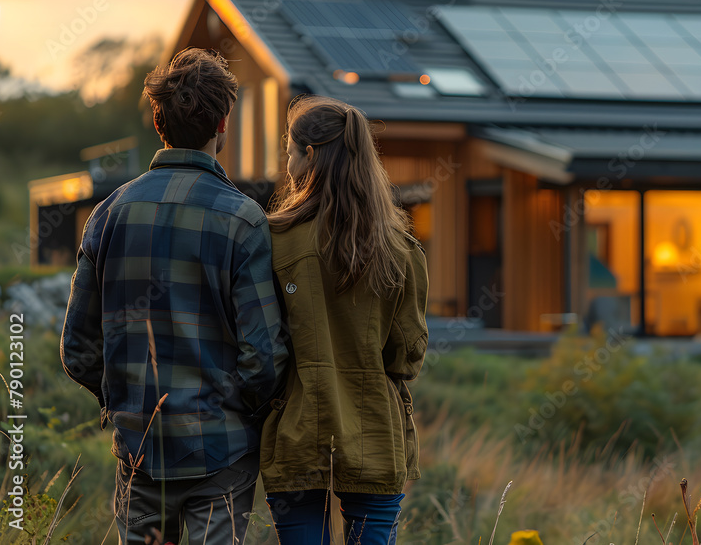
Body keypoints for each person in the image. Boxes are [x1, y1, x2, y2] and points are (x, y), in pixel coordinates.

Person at [61, 48, 289, 545]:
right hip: (223, 451)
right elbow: (265, 355)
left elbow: (77, 349)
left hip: (138, 449)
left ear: (157, 119)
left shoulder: (107, 214)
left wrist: (125, 402)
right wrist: (235, 410)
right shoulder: (244, 220)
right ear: (224, 121)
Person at [260, 95, 428, 545]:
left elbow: (261, 348)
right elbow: (406, 358)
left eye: (289, 149)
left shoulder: (271, 240)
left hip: (296, 432)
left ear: (309, 155)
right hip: (374, 431)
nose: (287, 159)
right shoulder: (401, 250)